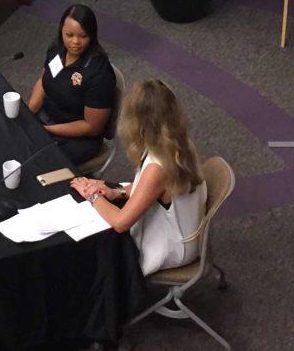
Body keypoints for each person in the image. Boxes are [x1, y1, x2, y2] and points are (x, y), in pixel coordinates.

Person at [71, 79, 207, 277]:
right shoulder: (178, 142)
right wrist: (116, 192)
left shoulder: (157, 167)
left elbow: (120, 223)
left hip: (172, 246)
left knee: (93, 252)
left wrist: (91, 196)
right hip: (184, 230)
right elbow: (154, 191)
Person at [27, 4, 115, 165]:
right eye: (69, 35)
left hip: (77, 138)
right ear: (61, 31)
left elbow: (91, 126)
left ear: (92, 36)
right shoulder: (57, 50)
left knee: (37, 163)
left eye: (83, 36)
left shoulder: (100, 74)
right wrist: (28, 112)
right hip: (47, 116)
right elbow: (43, 80)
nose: (75, 42)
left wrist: (47, 130)